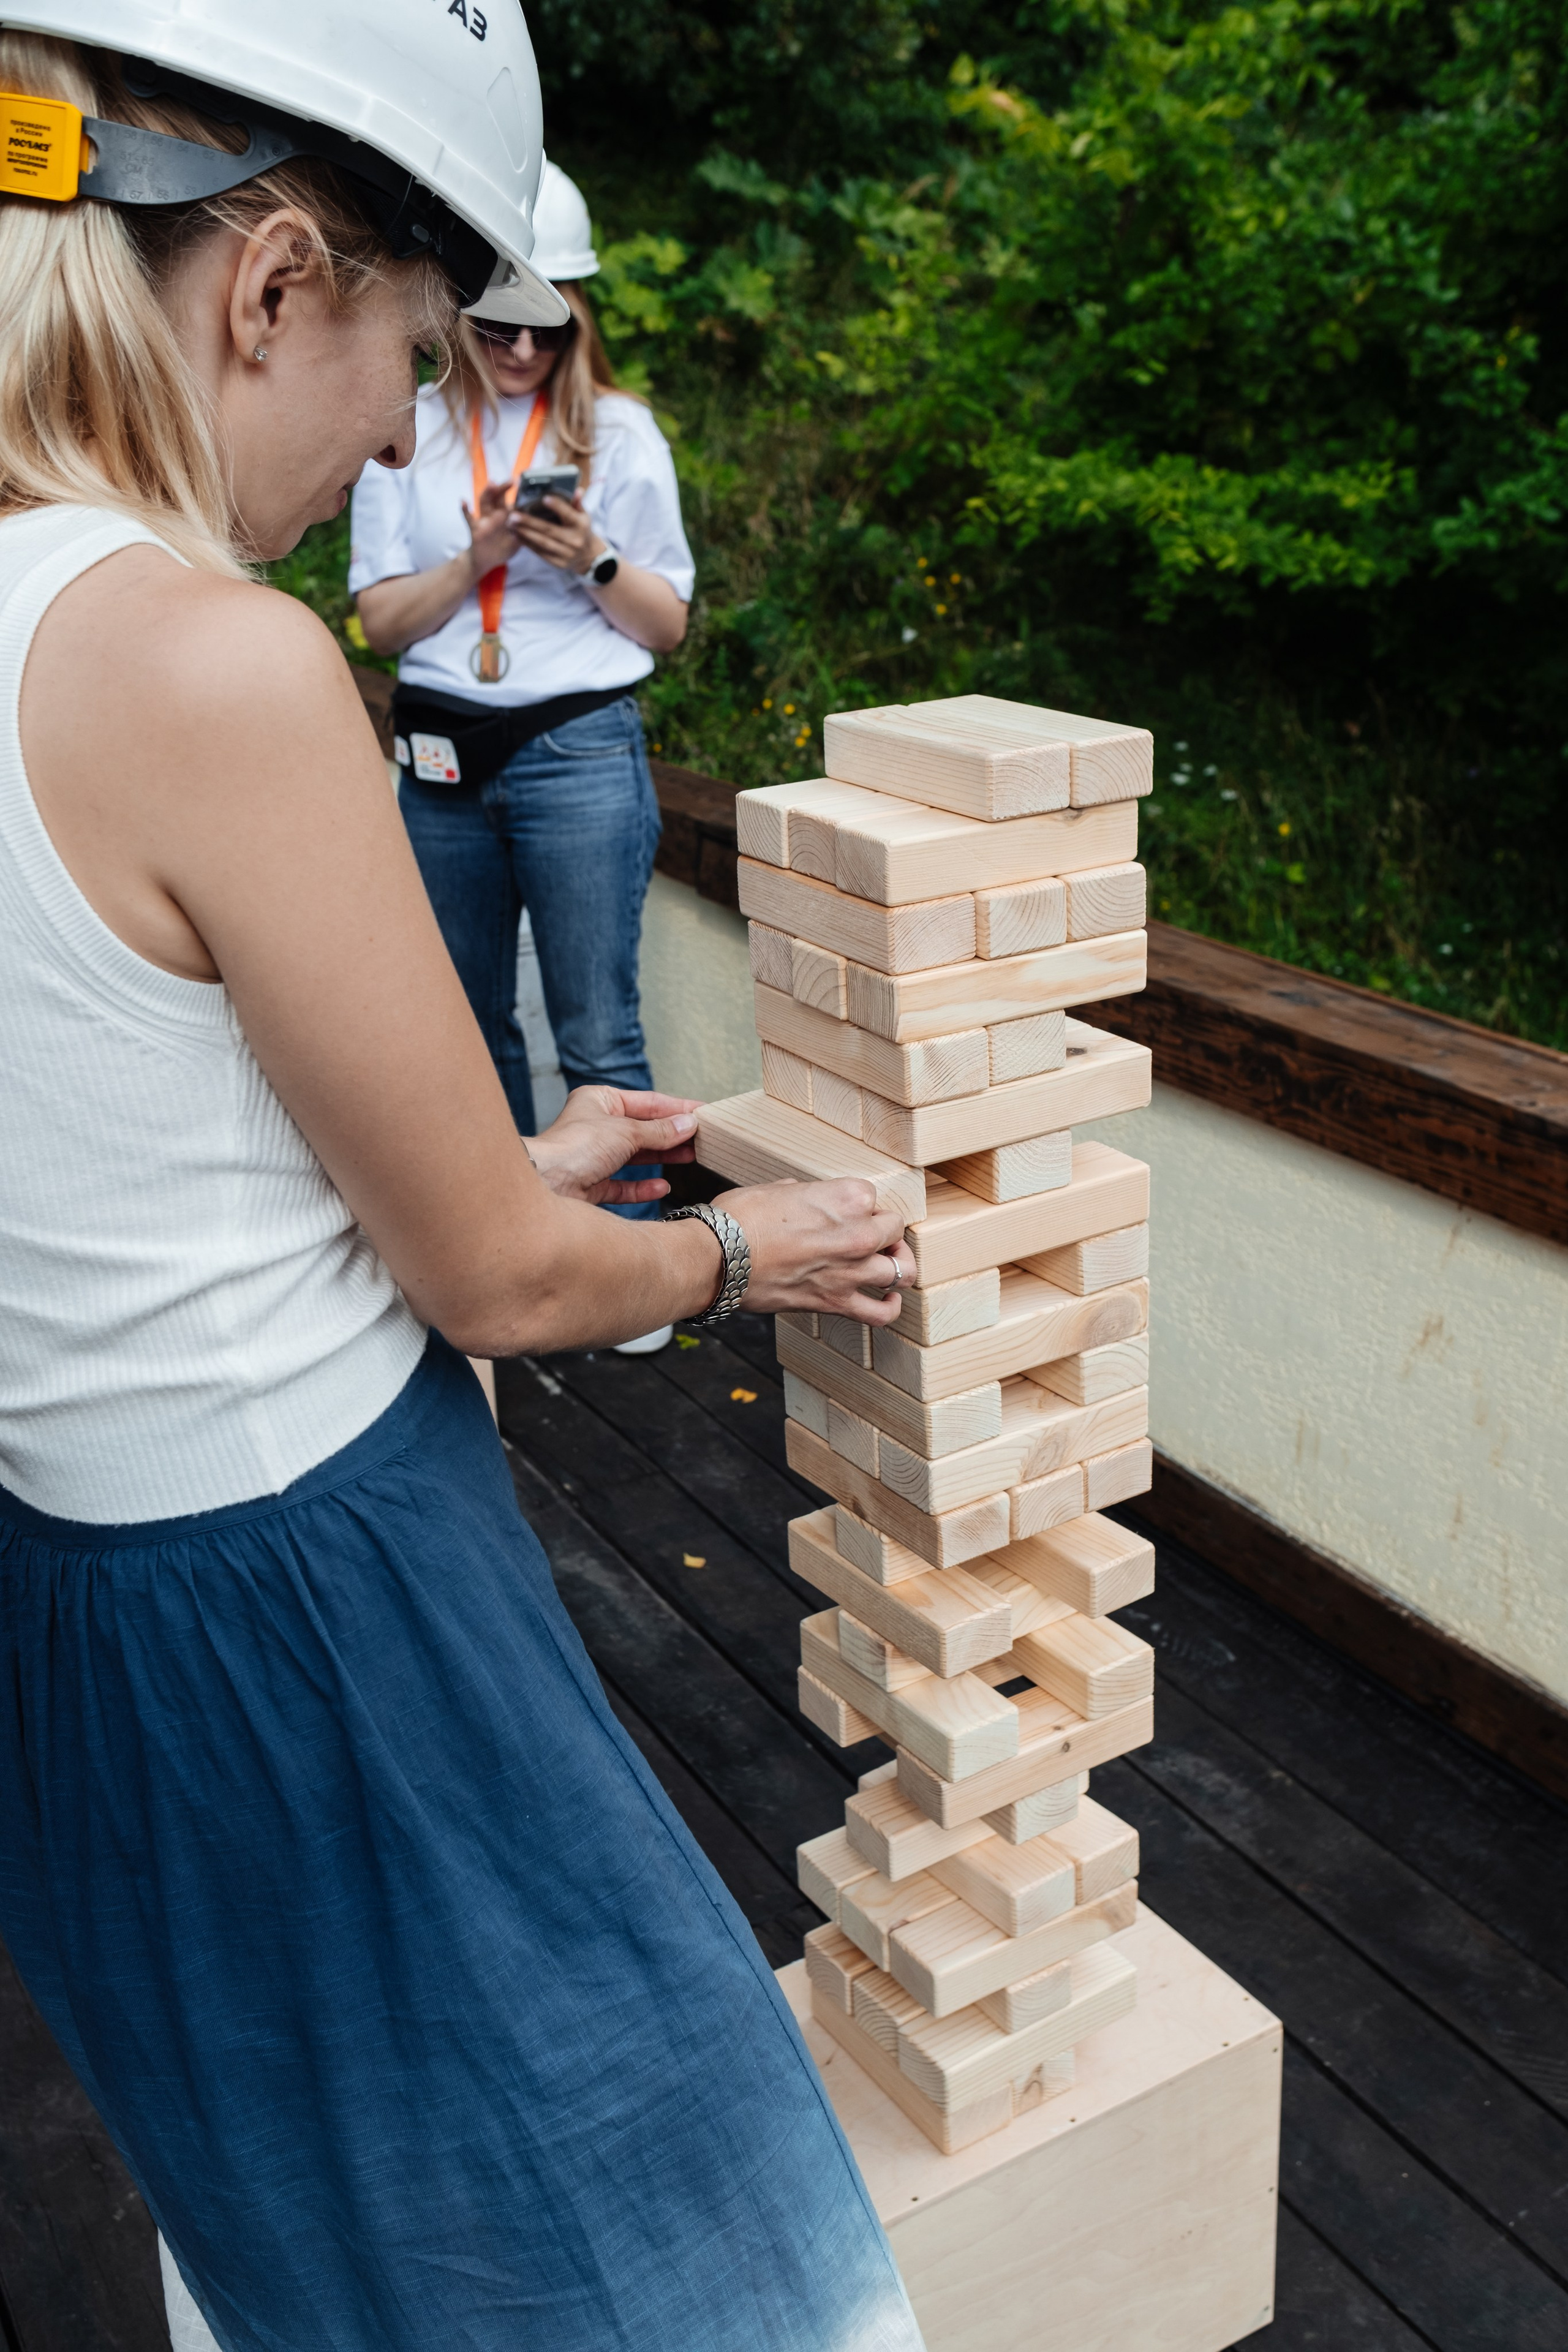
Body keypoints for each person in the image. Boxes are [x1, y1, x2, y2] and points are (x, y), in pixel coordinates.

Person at [0, 18, 926, 2352]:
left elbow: (122, 1147)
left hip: (76, 1619)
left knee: (319, 2244)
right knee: (678, 2275)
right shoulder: (215, 662)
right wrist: (742, 1248)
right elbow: (506, 1288)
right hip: (321, 1622)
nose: (415, 429)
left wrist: (500, 1147)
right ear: (274, 282)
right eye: (415, 349)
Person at [351, 162, 687, 1352]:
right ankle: (510, 1254)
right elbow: (381, 626)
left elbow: (665, 626)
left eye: (540, 332)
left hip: (577, 746)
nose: (516, 353)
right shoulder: (401, 433)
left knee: (599, 1028)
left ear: (574, 319)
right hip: (444, 742)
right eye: (493, 327)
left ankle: (636, 1273)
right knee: (465, 1022)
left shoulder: (626, 438)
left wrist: (590, 557)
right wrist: (477, 559)